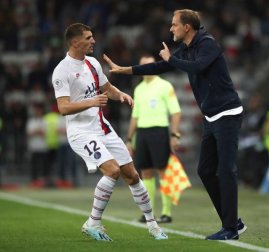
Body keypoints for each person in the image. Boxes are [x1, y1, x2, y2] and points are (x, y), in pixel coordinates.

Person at [103, 9, 247, 240]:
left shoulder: (208, 44)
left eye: (174, 25)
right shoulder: (188, 49)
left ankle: (230, 227)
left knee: (226, 170)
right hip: (212, 117)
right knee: (205, 170)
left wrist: (172, 59)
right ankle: (233, 222)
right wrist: (125, 70)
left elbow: (197, 67)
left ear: (187, 27)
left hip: (228, 113)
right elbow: (159, 67)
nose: (171, 29)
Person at [51, 23, 168, 241]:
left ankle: (153, 225)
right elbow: (63, 107)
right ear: (75, 42)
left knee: (132, 175)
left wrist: (121, 95)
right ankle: (93, 222)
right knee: (112, 171)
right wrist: (91, 101)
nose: (93, 41)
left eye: (92, 36)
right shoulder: (62, 70)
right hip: (81, 133)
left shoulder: (93, 63)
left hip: (102, 127)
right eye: (88, 38)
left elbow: (108, 90)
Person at [125, 55, 181, 224]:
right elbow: (134, 116)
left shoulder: (165, 86)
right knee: (145, 173)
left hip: (160, 132)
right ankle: (148, 213)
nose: (146, 69)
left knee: (163, 171)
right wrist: (129, 139)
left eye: (149, 65)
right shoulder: (139, 88)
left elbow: (176, 112)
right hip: (142, 132)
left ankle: (166, 213)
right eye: (143, 66)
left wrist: (174, 135)